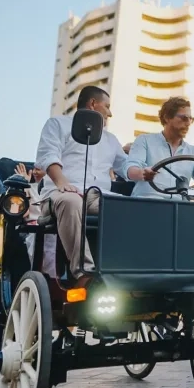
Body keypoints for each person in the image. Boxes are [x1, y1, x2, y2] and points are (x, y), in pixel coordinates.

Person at [35, 85, 127, 282]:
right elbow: (48, 155)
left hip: (98, 196)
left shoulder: (111, 140)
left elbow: (127, 168)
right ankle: (84, 272)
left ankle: (125, 270)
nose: (110, 113)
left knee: (132, 208)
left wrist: (143, 167)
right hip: (61, 194)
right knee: (71, 202)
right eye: (107, 107)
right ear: (93, 104)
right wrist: (62, 182)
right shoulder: (57, 124)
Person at [124, 96, 194, 199]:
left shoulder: (193, 151)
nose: (188, 123)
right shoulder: (144, 140)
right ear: (167, 117)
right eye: (184, 118)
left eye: (191, 119)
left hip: (179, 207)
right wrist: (142, 173)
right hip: (147, 203)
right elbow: (130, 170)